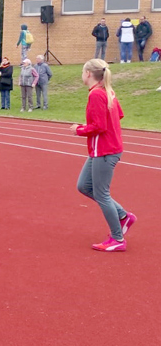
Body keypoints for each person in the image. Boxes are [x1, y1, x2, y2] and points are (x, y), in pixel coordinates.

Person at [70, 59, 137, 252]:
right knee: (84, 186)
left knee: (102, 194)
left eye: (83, 72)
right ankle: (124, 216)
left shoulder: (97, 94)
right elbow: (118, 115)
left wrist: (79, 129)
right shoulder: (107, 91)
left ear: (89, 74)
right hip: (102, 150)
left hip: (105, 151)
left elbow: (99, 126)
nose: (82, 75)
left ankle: (117, 238)